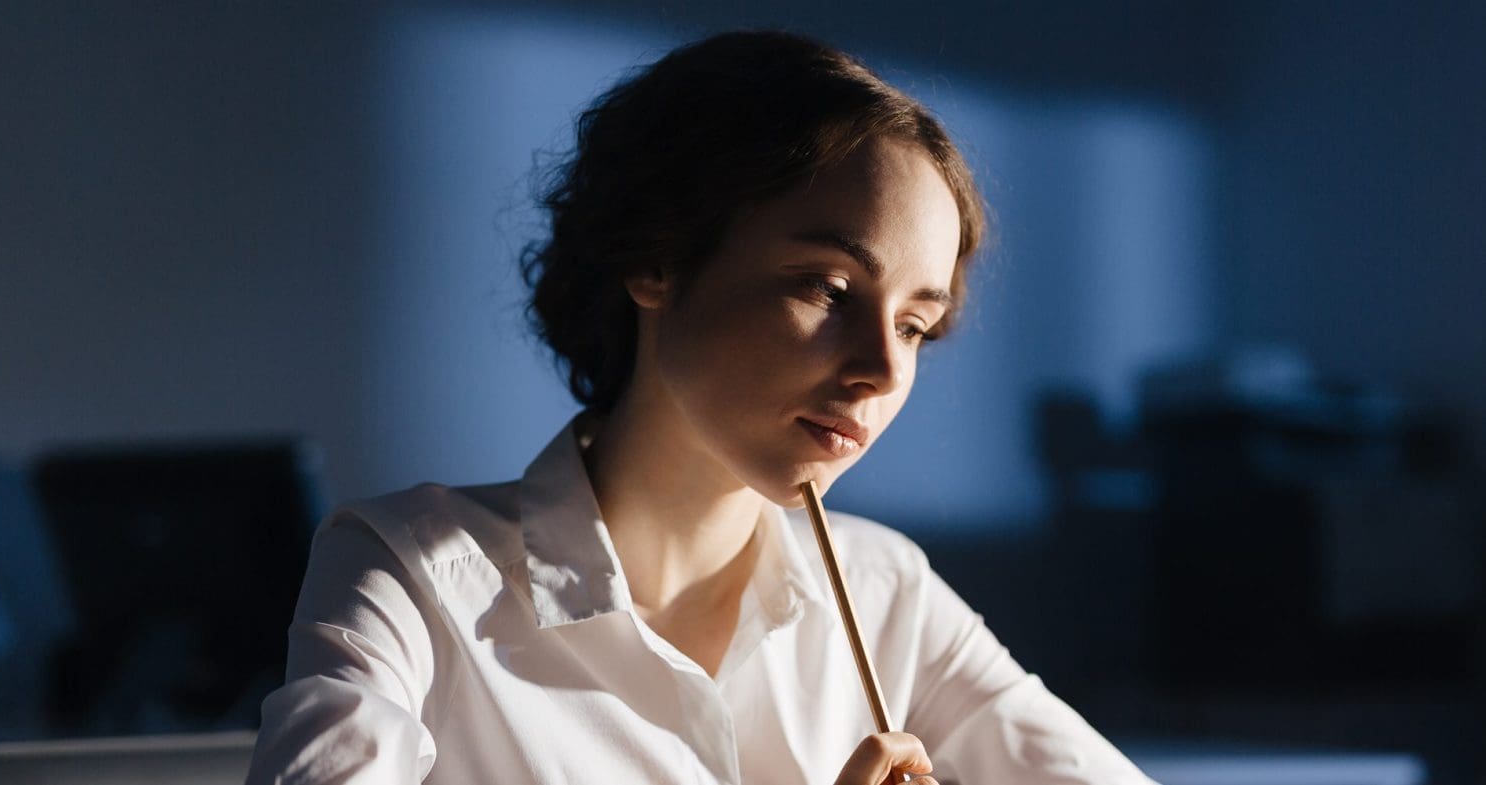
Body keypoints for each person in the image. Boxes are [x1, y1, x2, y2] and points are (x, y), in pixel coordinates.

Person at [245, 30, 1156, 785]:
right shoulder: (413, 574)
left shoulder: (886, 592)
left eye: (916, 325)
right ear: (656, 257)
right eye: (828, 288)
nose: (881, 368)